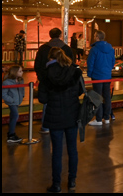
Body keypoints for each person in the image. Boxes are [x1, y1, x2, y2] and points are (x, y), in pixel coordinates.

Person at [38, 47, 82, 193]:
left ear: (50, 58)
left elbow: (43, 98)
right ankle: (72, 181)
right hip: (72, 113)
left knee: (56, 151)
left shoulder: (46, 75)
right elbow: (80, 91)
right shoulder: (74, 71)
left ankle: (56, 185)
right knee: (72, 150)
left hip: (55, 116)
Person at [35, 27, 74, 134]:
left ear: (50, 35)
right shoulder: (66, 48)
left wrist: (41, 76)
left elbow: (37, 65)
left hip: (47, 81)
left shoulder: (43, 48)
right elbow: (72, 65)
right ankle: (64, 123)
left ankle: (46, 126)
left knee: (48, 104)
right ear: (60, 35)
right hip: (64, 82)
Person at [87, 30, 115, 125]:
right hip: (107, 75)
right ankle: (107, 117)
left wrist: (89, 73)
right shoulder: (111, 48)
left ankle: (98, 119)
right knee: (107, 96)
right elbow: (112, 62)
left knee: (97, 97)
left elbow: (90, 62)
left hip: (97, 75)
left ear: (97, 37)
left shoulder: (94, 49)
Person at [2, 65, 24, 143]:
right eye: (20, 71)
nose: (22, 72)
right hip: (12, 102)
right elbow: (3, 94)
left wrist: (22, 96)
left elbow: (22, 90)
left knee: (13, 116)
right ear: (15, 72)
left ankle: (10, 133)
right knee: (15, 115)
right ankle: (11, 134)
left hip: (17, 101)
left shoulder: (21, 80)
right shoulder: (6, 82)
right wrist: (11, 100)